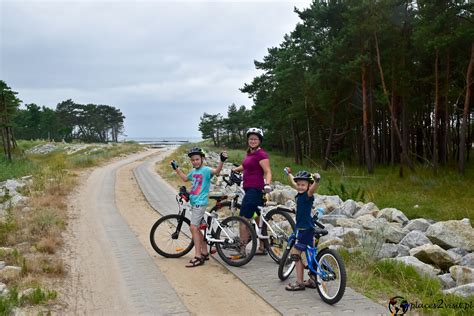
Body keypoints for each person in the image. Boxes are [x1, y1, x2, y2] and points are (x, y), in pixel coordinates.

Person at [171, 147, 227, 267]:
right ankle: (205, 252)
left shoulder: (206, 170)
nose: (195, 162)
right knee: (198, 229)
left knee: (193, 228)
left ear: (202, 159)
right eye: (193, 160)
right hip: (194, 202)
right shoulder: (194, 171)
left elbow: (217, 171)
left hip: (200, 203)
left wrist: (222, 160)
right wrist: (177, 169)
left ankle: (198, 256)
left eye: (197, 159)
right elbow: (186, 178)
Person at [232, 128, 272, 256]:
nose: (253, 141)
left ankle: (242, 250)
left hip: (254, 190)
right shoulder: (250, 153)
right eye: (251, 139)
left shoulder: (261, 154)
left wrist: (268, 184)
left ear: (260, 141)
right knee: (257, 217)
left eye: (255, 139)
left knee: (243, 219)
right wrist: (235, 170)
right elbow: (246, 166)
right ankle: (262, 247)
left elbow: (267, 171)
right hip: (250, 189)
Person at [283, 168, 320, 291]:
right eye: (299, 185)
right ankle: (312, 280)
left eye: (303, 185)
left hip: (304, 230)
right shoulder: (299, 194)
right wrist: (289, 174)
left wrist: (316, 180)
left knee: (295, 254)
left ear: (309, 185)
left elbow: (313, 189)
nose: (300, 187)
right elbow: (294, 183)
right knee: (311, 254)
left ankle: (299, 282)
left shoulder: (308, 195)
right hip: (308, 228)